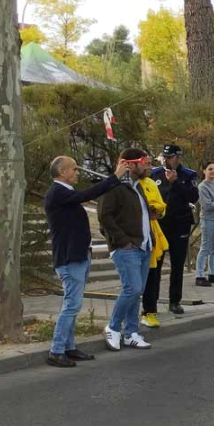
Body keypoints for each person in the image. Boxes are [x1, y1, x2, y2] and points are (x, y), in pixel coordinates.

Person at [44, 156, 128, 367]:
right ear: (62, 172)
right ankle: (56, 350)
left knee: (72, 304)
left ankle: (69, 347)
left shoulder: (65, 192)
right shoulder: (58, 192)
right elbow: (88, 194)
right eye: (74, 169)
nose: (78, 172)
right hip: (69, 257)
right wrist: (115, 176)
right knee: (72, 305)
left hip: (79, 255)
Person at [97, 148, 156, 351]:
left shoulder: (138, 186)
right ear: (130, 164)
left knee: (136, 291)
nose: (148, 165)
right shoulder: (112, 185)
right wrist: (122, 240)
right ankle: (113, 327)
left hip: (144, 246)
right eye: (144, 162)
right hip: (126, 247)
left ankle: (131, 333)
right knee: (132, 288)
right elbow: (104, 216)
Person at [143, 145, 199, 317]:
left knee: (177, 265)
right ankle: (150, 304)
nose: (169, 160)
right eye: (166, 157)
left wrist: (176, 182)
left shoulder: (188, 175)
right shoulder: (155, 173)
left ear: (179, 157)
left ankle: (174, 301)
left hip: (180, 224)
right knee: (155, 266)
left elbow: (193, 196)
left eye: (172, 157)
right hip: (160, 225)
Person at [137, 165, 170, 328]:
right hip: (138, 237)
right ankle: (142, 311)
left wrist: (158, 211)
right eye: (145, 163)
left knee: (154, 274)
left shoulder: (151, 183)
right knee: (142, 279)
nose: (150, 167)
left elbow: (161, 206)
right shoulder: (130, 185)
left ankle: (151, 310)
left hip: (154, 233)